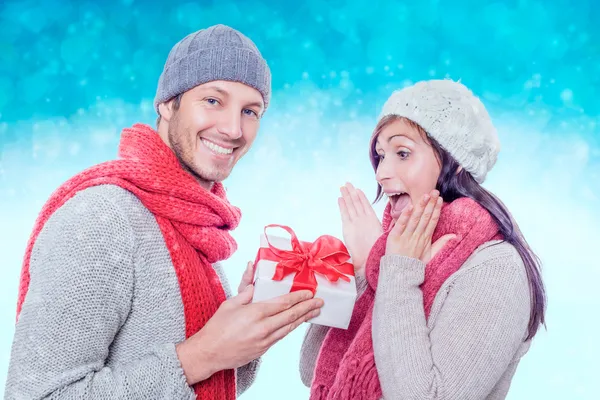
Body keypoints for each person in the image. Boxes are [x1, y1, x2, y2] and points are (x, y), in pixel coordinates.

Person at [5, 24, 323, 400]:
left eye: (250, 111)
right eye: (213, 101)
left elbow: (204, 384)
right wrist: (201, 354)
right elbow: (38, 396)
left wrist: (246, 329)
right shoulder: (103, 217)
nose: (233, 128)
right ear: (167, 104)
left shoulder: (192, 226)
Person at [299, 79, 546, 399]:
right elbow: (312, 369)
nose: (381, 173)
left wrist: (397, 271)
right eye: (381, 155)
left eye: (402, 153)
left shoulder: (494, 268)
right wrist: (362, 270)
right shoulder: (388, 246)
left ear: (455, 161)